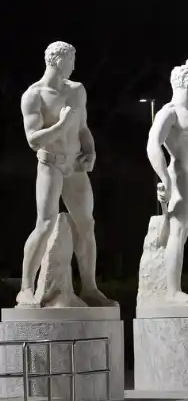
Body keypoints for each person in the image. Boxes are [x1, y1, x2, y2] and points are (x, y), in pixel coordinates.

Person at [18, 41, 116, 308]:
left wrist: (91, 151)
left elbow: (82, 127)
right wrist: (61, 124)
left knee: (87, 224)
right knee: (46, 222)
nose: (74, 65)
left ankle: (90, 288)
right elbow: (33, 140)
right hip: (49, 164)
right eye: (72, 60)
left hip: (74, 167)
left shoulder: (76, 91)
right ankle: (25, 287)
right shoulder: (34, 95)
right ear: (59, 61)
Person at [146, 58, 188, 303]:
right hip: (179, 178)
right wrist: (165, 178)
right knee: (178, 230)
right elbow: (153, 144)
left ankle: (173, 288)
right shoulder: (170, 112)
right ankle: (172, 292)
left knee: (182, 233)